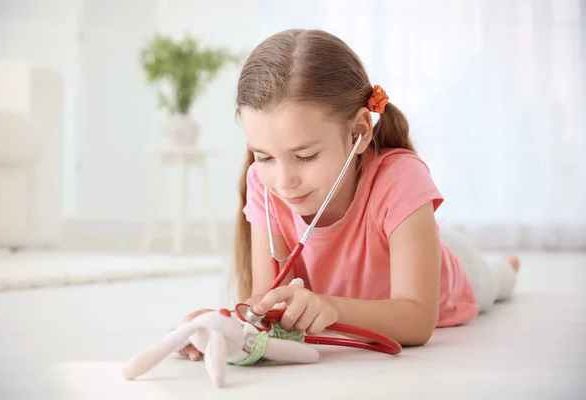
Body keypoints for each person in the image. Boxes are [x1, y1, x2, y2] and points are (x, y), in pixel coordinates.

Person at [179, 29, 520, 361]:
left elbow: (417, 322)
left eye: (305, 156)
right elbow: (267, 299)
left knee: (496, 280)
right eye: (265, 156)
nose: (284, 182)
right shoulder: (263, 185)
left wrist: (332, 307)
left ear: (358, 132)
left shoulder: (402, 177)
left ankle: (506, 265)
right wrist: (225, 323)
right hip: (393, 247)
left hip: (452, 274)